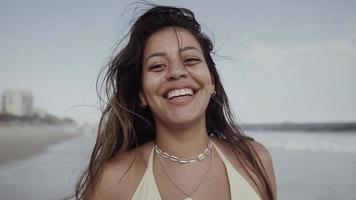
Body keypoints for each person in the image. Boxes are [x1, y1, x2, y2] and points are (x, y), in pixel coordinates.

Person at [72, 5, 276, 200]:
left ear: (212, 81)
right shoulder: (111, 180)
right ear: (142, 93)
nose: (177, 72)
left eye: (190, 60)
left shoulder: (256, 160)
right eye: (158, 65)